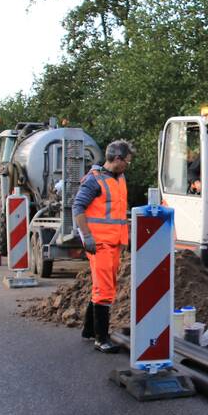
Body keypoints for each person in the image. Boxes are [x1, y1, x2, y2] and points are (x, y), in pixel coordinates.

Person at [73, 140, 134, 353]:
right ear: (117, 159)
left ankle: (89, 331)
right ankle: (101, 339)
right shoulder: (94, 181)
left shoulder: (119, 178)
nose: (128, 164)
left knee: (103, 287)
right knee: (105, 290)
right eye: (126, 161)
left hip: (115, 242)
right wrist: (87, 236)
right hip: (99, 243)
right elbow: (78, 207)